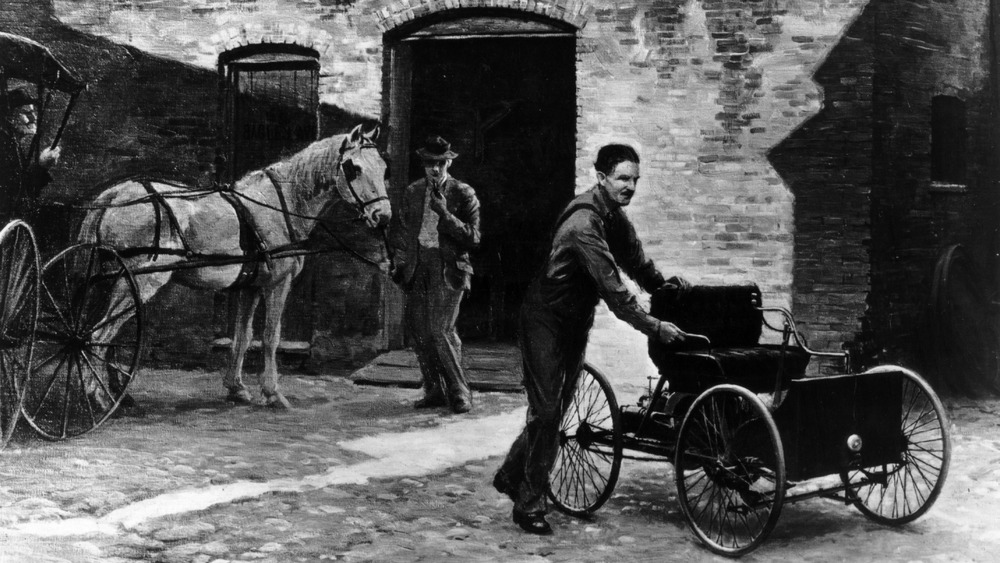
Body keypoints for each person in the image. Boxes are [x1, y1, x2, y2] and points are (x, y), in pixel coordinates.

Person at [493, 143, 691, 535]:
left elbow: (636, 262)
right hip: (543, 322)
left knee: (555, 408)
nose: (630, 186)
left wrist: (665, 287)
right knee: (548, 412)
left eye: (635, 179)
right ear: (601, 178)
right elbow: (616, 294)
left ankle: (511, 475)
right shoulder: (584, 225)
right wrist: (656, 326)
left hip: (574, 323)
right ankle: (529, 504)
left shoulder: (612, 215)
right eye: (622, 178)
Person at [388, 135, 481, 414]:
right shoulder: (414, 192)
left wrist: (445, 215)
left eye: (441, 163)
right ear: (424, 164)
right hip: (418, 267)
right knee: (420, 332)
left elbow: (474, 238)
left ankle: (460, 391)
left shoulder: (464, 193)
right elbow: (403, 232)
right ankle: (435, 391)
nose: (436, 169)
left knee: (440, 330)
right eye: (430, 163)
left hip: (449, 268)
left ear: (449, 161)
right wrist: (399, 261)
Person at [0, 86, 61, 222]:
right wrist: (41, 166)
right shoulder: (4, 146)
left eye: (33, 112)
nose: (33, 118)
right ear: (10, 118)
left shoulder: (12, 144)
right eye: (26, 113)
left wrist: (42, 166)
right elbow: (17, 193)